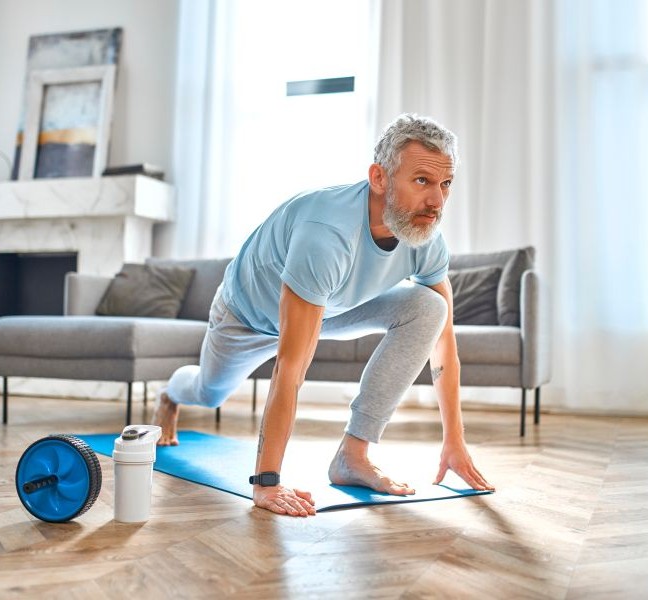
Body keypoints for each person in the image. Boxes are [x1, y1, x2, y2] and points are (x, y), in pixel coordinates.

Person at [154, 113, 493, 517]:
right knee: (209, 393)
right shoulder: (327, 233)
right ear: (379, 178)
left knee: (429, 308)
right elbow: (291, 366)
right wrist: (266, 482)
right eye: (422, 181)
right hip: (245, 317)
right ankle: (169, 395)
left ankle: (354, 454)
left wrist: (454, 440)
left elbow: (444, 346)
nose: (437, 201)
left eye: (445, 184)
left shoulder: (425, 238)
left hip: (331, 305)